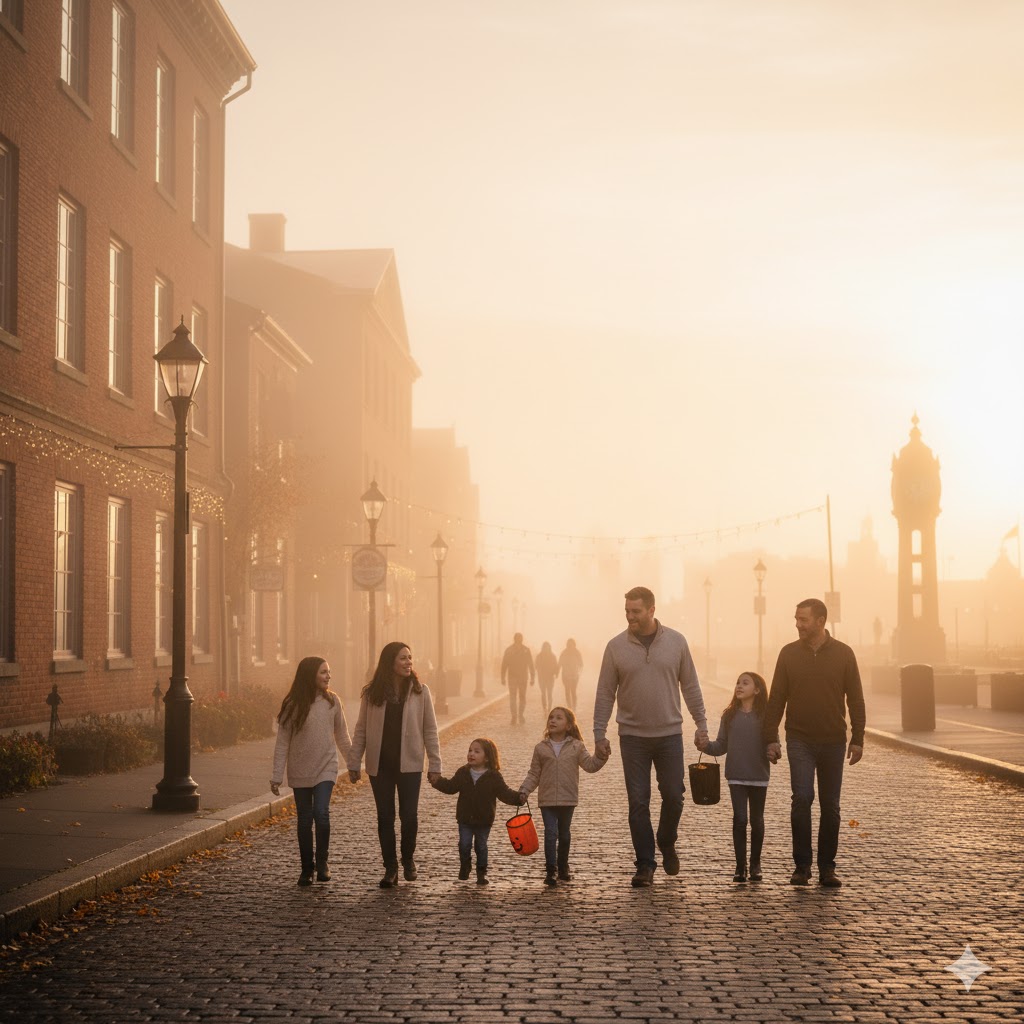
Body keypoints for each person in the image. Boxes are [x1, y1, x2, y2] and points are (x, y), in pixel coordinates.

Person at [594, 586, 709, 888]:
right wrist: (599, 733)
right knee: (638, 802)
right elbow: (605, 693)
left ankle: (666, 839)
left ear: (652, 610)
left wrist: (701, 724)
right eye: (627, 611)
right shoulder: (615, 647)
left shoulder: (676, 642)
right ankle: (645, 863)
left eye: (636, 611)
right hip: (632, 738)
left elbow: (691, 686)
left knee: (674, 795)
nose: (630, 616)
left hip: (669, 735)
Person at [764, 598, 866, 889]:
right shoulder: (788, 654)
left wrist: (857, 738)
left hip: (833, 740)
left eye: (803, 620)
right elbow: (776, 698)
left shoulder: (844, 654)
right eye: (796, 619)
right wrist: (770, 738)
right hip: (800, 739)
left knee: (830, 806)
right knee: (802, 798)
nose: (798, 625)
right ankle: (802, 866)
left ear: (820, 621)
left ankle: (827, 868)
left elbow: (855, 698)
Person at [348, 641, 442, 888]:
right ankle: (390, 867)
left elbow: (430, 730)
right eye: (403, 658)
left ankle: (408, 859)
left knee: (409, 816)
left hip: (410, 765)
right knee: (385, 817)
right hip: (381, 766)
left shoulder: (421, 692)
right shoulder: (372, 694)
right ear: (390, 662)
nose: (408, 662)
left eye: (410, 657)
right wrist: (354, 761)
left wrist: (435, 764)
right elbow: (361, 729)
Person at [270, 657, 352, 886]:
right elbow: (282, 742)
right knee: (305, 819)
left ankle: (322, 862)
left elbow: (342, 735)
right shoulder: (292, 704)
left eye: (329, 671)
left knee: (321, 814)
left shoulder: (332, 702)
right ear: (310, 675)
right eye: (323, 672)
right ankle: (307, 868)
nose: (328, 676)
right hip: (300, 768)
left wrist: (353, 763)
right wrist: (277, 776)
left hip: (326, 766)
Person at [519, 706, 608, 886]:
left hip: (568, 798)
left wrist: (601, 756)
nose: (553, 720)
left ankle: (563, 867)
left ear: (568, 725)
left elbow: (590, 765)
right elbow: (534, 773)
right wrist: (524, 790)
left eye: (559, 718)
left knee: (564, 834)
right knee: (550, 833)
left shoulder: (576, 746)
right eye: (551, 717)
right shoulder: (540, 748)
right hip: (547, 799)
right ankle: (551, 870)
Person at [697, 672, 771, 883]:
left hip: (759, 775)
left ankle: (755, 864)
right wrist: (705, 746)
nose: (739, 686)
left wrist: (774, 751)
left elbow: (772, 741)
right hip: (736, 776)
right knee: (740, 819)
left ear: (757, 690)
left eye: (745, 683)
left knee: (757, 820)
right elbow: (721, 746)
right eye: (738, 682)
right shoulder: (729, 716)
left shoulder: (766, 717)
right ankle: (740, 867)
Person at [430, 737, 523, 885]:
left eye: (477, 751)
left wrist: (518, 798)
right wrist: (437, 782)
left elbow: (504, 793)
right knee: (464, 844)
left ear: (487, 757)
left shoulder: (493, 776)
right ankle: (465, 866)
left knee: (481, 846)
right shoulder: (463, 772)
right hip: (465, 818)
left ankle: (481, 872)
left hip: (484, 819)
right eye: (470, 750)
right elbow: (451, 787)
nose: (471, 754)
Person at [501, 632, 535, 725]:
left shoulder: (526, 650)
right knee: (513, 697)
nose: (519, 640)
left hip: (522, 677)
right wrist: (502, 677)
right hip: (512, 677)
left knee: (522, 697)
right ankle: (514, 716)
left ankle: (520, 714)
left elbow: (531, 664)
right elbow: (504, 664)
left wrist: (532, 677)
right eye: (518, 639)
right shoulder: (509, 650)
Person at [558, 639, 583, 707]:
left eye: (572, 644)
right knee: (567, 691)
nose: (570, 646)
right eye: (569, 644)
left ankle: (574, 706)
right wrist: (557, 672)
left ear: (574, 644)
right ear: (567, 644)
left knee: (573, 691)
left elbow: (581, 664)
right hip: (565, 676)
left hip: (575, 676)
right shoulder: (564, 653)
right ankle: (569, 706)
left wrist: (578, 671)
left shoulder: (577, 653)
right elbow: (559, 663)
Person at [535, 642, 559, 712]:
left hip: (550, 677)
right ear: (543, 648)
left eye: (547, 647)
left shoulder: (552, 656)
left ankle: (549, 707)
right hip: (541, 677)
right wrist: (539, 671)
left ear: (549, 648)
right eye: (545, 647)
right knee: (543, 693)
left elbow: (556, 665)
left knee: (549, 693)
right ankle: (545, 707)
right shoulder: (539, 656)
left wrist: (556, 673)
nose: (546, 649)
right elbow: (536, 665)